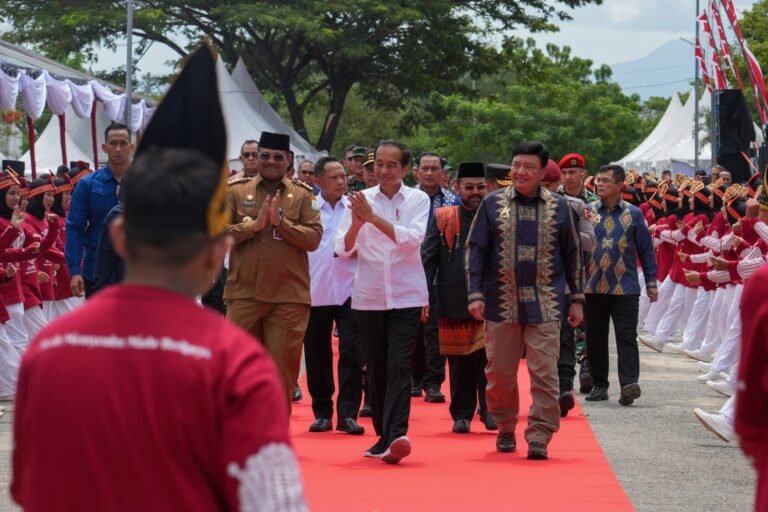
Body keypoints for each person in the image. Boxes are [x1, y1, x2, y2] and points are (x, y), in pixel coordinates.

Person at [10, 45, 307, 512]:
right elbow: (276, 504)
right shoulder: (236, 365)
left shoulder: (48, 350)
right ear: (217, 253)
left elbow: (32, 491)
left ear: (122, 238)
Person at [466, 141, 584, 460]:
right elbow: (475, 250)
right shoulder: (492, 204)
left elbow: (572, 255)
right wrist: (475, 293)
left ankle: (540, 435)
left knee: (545, 372)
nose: (520, 171)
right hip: (500, 302)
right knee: (500, 373)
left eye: (528, 167)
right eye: (516, 165)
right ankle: (505, 426)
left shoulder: (560, 207)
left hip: (546, 303)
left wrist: (577, 299)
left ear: (542, 171)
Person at [335, 139, 430, 464]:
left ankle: (397, 434)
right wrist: (359, 221)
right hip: (369, 296)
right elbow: (342, 248)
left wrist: (373, 219)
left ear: (405, 169)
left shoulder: (417, 199)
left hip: (407, 295)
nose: (384, 171)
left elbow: (411, 241)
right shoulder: (358, 201)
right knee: (375, 366)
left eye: (392, 165)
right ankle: (383, 436)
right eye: (379, 164)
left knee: (399, 363)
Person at [224, 130, 322, 408]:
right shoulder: (235, 190)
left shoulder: (303, 196)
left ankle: (274, 443)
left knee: (281, 377)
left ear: (288, 160)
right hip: (244, 296)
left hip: (288, 298)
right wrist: (251, 227)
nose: (270, 161)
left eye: (277, 157)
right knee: (237, 373)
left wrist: (282, 224)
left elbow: (314, 239)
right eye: (264, 155)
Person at [421, 162, 496, 433]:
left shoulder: (496, 216)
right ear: (457, 187)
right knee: (460, 362)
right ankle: (462, 414)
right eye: (469, 187)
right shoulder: (444, 217)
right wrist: (423, 295)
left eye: (480, 187)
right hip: (452, 299)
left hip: (492, 301)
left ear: (487, 188)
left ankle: (490, 411)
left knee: (490, 361)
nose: (475, 193)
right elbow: (428, 259)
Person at [583, 165, 658, 406]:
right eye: (599, 180)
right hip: (592, 286)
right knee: (595, 337)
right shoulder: (589, 211)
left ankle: (628, 385)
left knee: (626, 336)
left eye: (605, 180)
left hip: (625, 287)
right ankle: (599, 384)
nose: (600, 184)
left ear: (619, 185)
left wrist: (651, 282)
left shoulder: (634, 214)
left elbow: (646, 250)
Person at [303, 156, 364, 435]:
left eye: (343, 176)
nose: (341, 182)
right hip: (314, 288)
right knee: (317, 351)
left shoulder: (355, 206)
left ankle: (348, 413)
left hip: (351, 288)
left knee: (352, 350)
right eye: (334, 178)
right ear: (317, 180)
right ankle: (322, 411)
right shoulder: (306, 207)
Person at [65, 122, 133, 298]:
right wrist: (74, 269)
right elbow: (74, 227)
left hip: (136, 273)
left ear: (131, 147)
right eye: (113, 143)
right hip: (96, 272)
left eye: (123, 143)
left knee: (134, 325)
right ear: (104, 147)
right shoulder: (87, 184)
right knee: (99, 325)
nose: (118, 149)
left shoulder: (146, 184)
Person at [412, 151, 457, 402]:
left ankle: (434, 381)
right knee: (411, 329)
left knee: (436, 329)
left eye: (434, 168)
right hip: (408, 271)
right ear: (416, 171)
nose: (429, 173)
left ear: (443, 172)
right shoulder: (405, 198)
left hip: (441, 274)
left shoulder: (453, 201)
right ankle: (413, 377)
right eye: (425, 168)